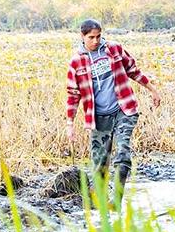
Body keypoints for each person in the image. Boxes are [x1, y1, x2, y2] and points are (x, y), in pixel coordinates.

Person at [65, 19, 162, 206]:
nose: (95, 41)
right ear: (82, 37)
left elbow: (133, 70)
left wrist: (152, 90)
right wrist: (70, 123)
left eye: (98, 36)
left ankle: (116, 201)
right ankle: (100, 206)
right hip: (98, 118)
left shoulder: (114, 49)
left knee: (123, 153)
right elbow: (73, 94)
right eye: (91, 37)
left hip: (123, 109)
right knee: (100, 164)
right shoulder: (76, 62)